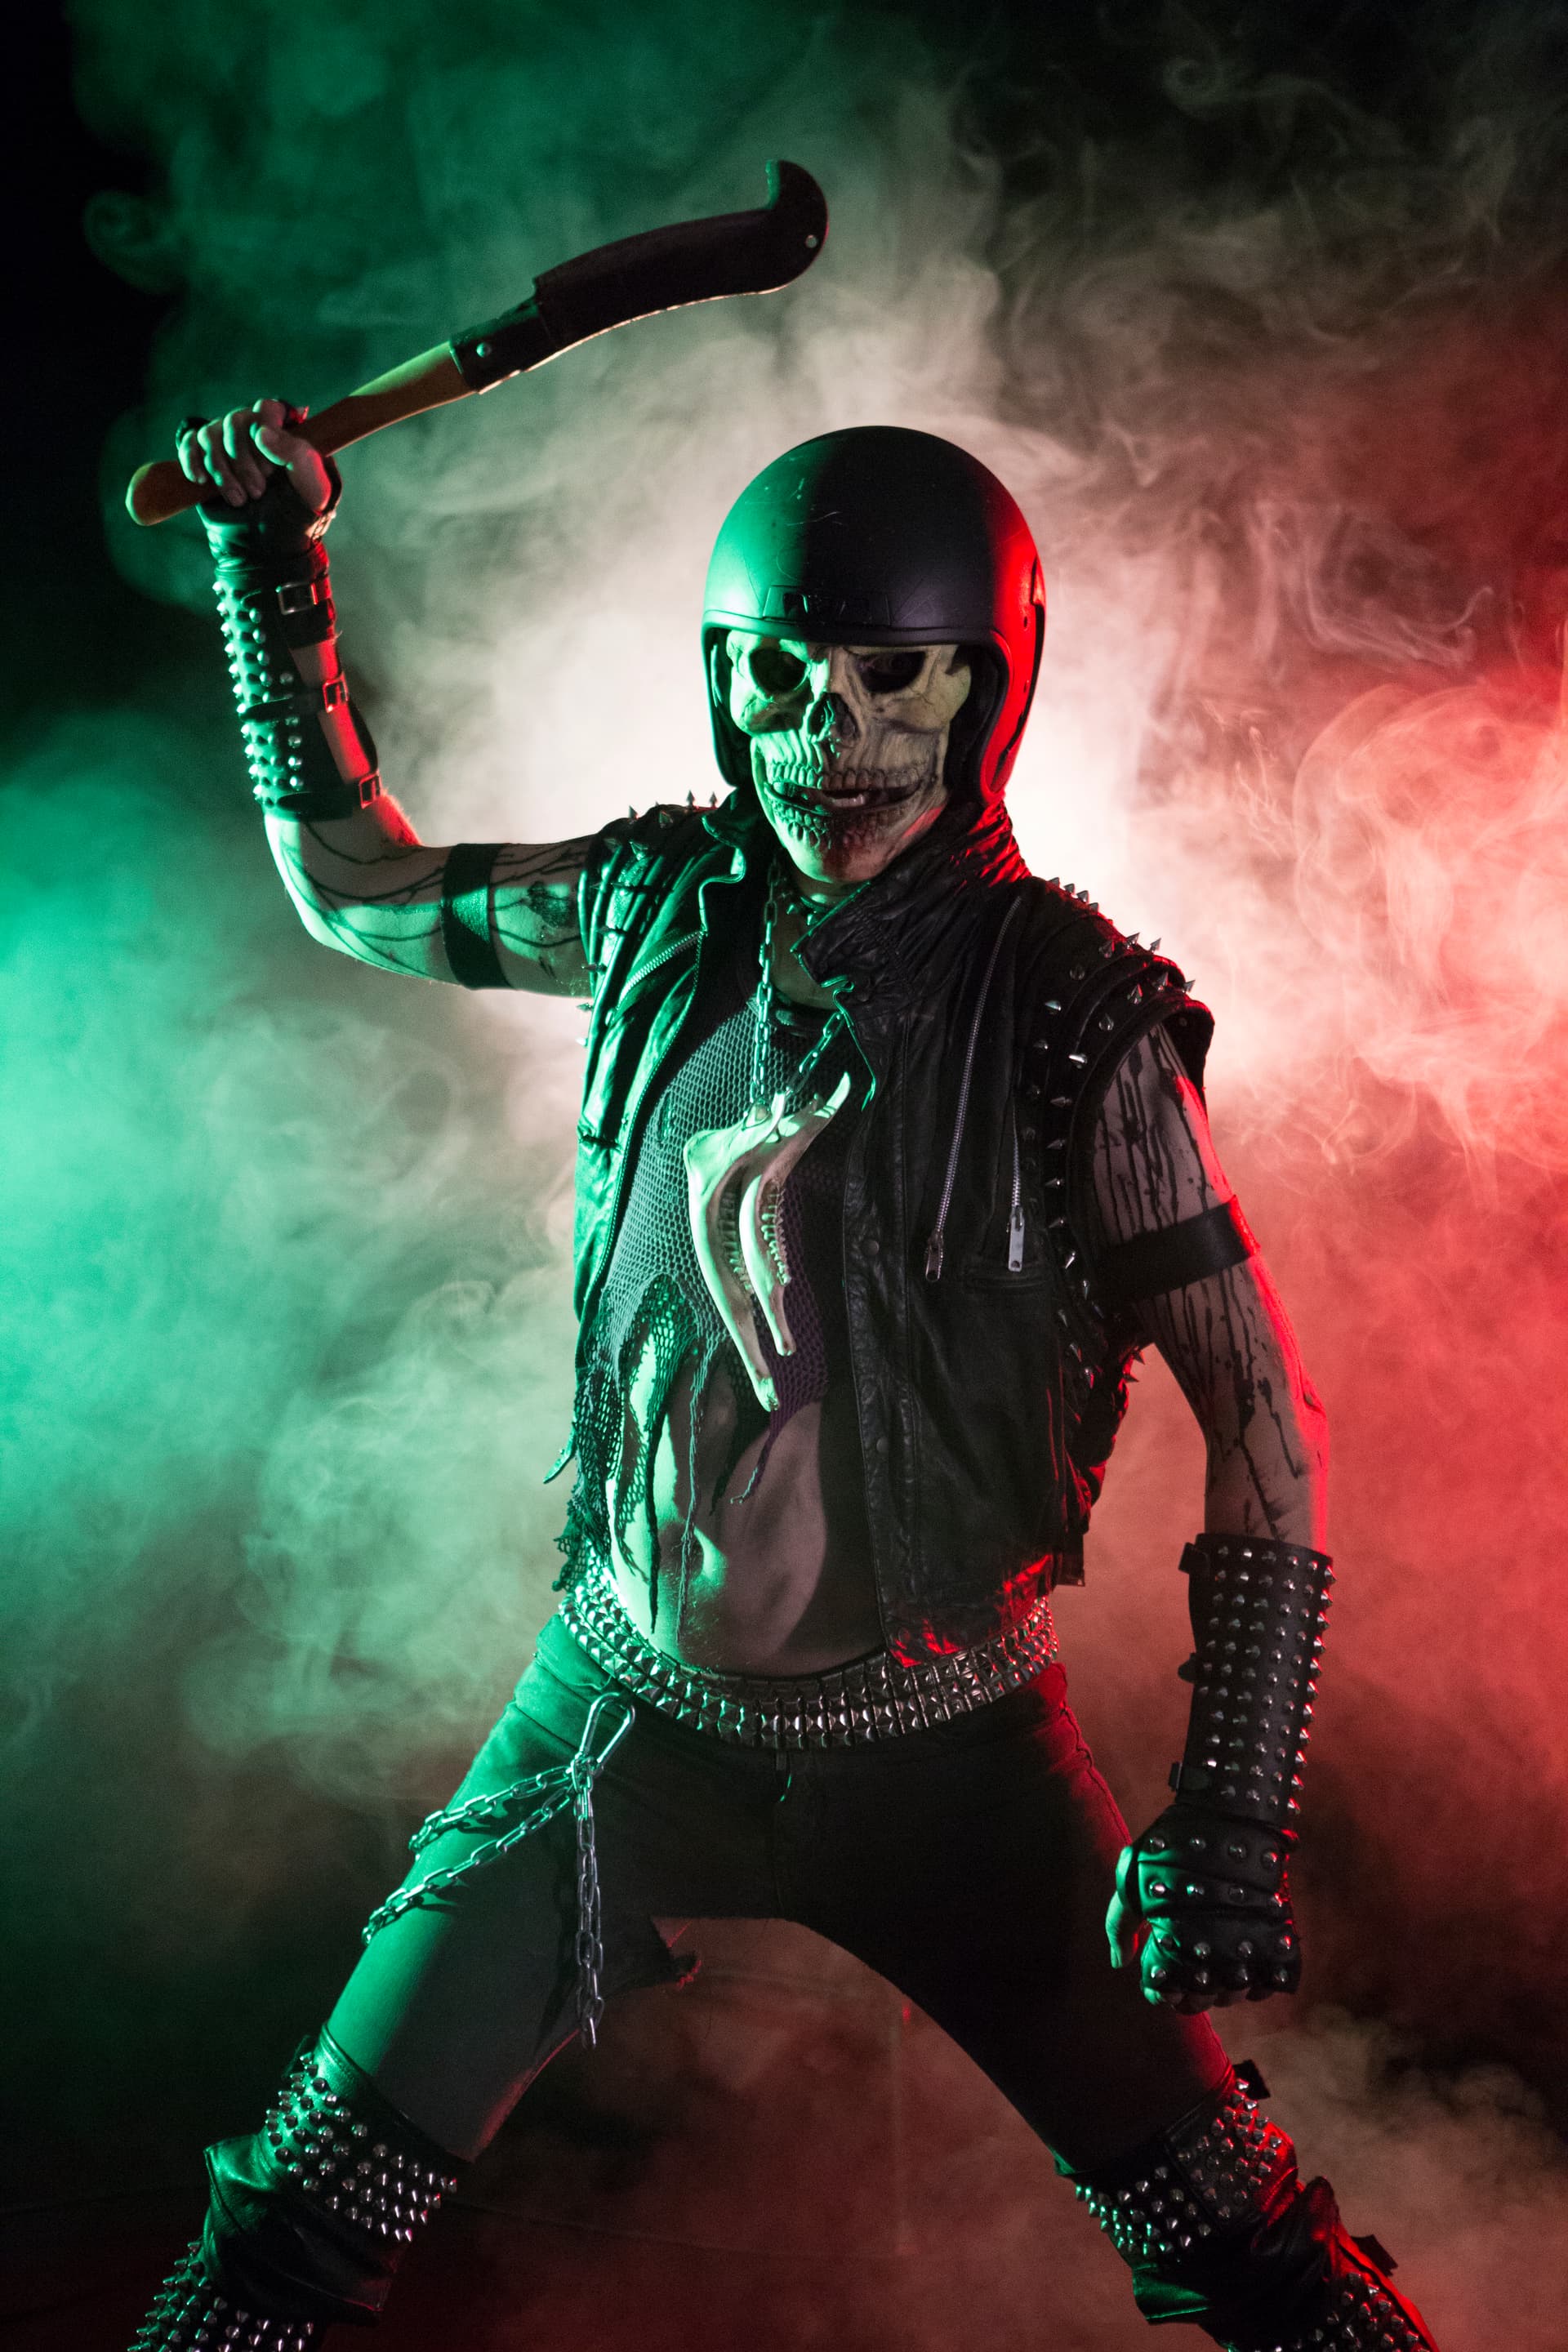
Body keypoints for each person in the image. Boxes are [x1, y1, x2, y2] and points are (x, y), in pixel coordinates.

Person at [131, 402, 1441, 2352]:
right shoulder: (652, 908)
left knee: (1251, 2248)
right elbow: (358, 892)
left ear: (987, 686)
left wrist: (1235, 1808)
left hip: (956, 1764)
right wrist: (268, 568)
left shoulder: (1076, 1017)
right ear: (723, 684)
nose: (830, 735)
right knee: (289, 2230)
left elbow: (1268, 1424)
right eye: (780, 679)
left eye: (892, 679)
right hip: (612, 1729)